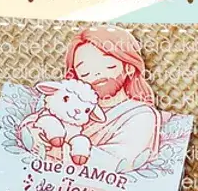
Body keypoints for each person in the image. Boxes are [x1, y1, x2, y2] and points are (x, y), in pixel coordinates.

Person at [64, 26, 161, 169]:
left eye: (107, 65)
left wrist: (57, 150)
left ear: (129, 67)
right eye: (85, 71)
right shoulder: (67, 109)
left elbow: (118, 161)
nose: (96, 74)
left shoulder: (141, 115)